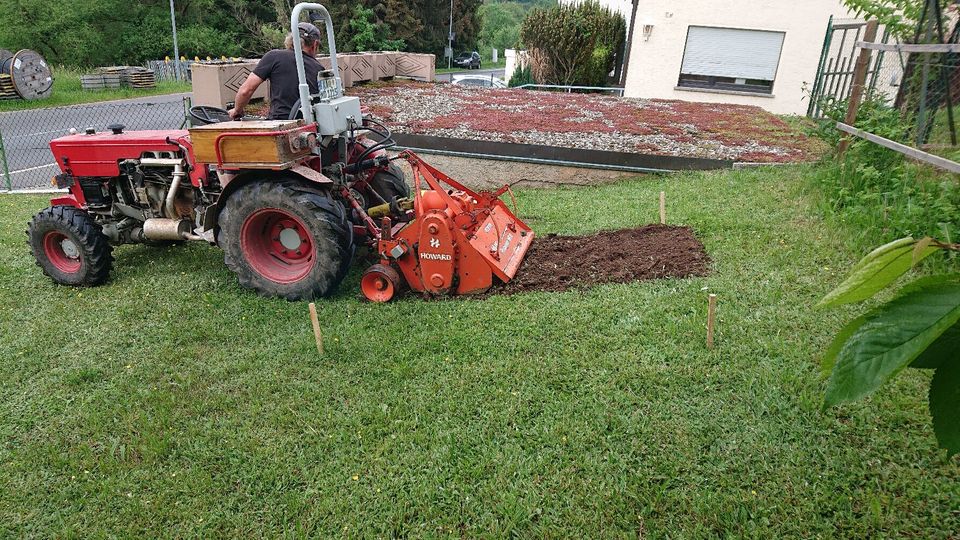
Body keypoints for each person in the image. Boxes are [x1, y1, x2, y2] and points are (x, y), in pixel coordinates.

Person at [228, 22, 323, 121]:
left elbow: (245, 91)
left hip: (278, 124)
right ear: (315, 44)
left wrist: (237, 110)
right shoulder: (319, 68)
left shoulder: (274, 57)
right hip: (309, 126)